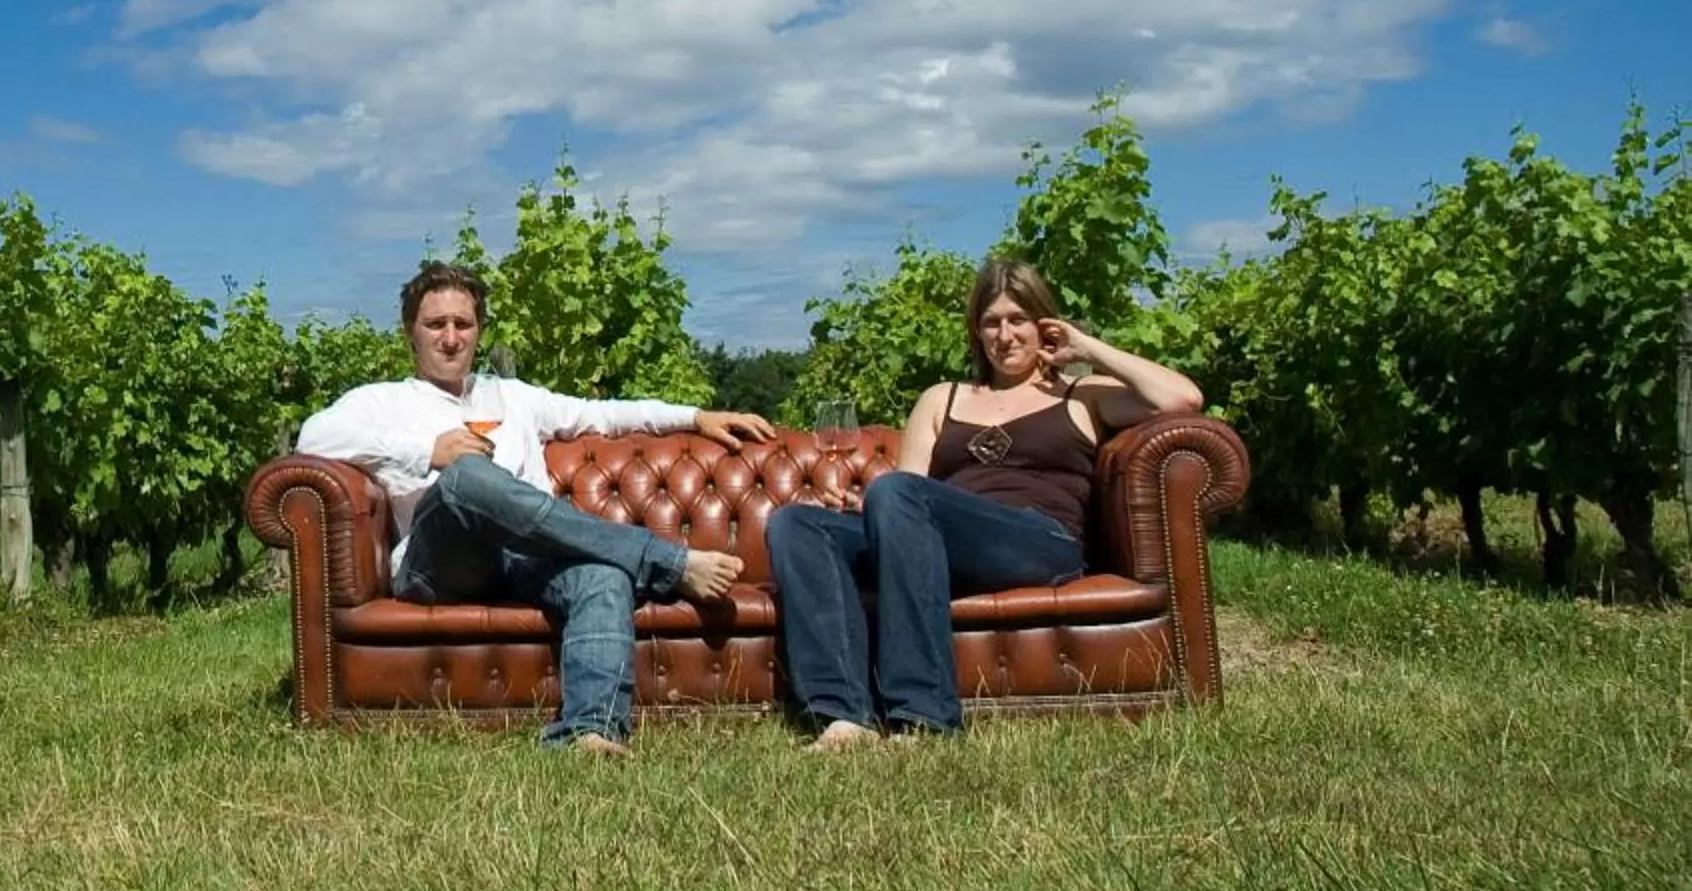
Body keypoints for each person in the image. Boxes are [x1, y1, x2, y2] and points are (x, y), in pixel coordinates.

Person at [296, 260, 775, 756]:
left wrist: (696, 415)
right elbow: (314, 436)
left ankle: (590, 730)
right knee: (466, 476)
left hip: (526, 560)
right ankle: (663, 560)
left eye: (463, 324)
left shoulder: (512, 397)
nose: (451, 338)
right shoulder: (380, 401)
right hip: (441, 564)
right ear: (409, 333)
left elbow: (604, 415)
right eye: (436, 324)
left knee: (603, 574)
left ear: (479, 331)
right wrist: (426, 452)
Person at [766, 255, 1205, 749]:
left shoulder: (1082, 394)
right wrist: (866, 507)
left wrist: (1088, 349)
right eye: (992, 322)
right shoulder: (943, 398)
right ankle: (845, 717)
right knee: (797, 523)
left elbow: (1183, 399)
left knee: (895, 493)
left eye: (1019, 320)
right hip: (952, 540)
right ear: (977, 332)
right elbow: (909, 489)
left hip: (1039, 540)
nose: (1006, 335)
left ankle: (923, 716)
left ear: (1045, 326)